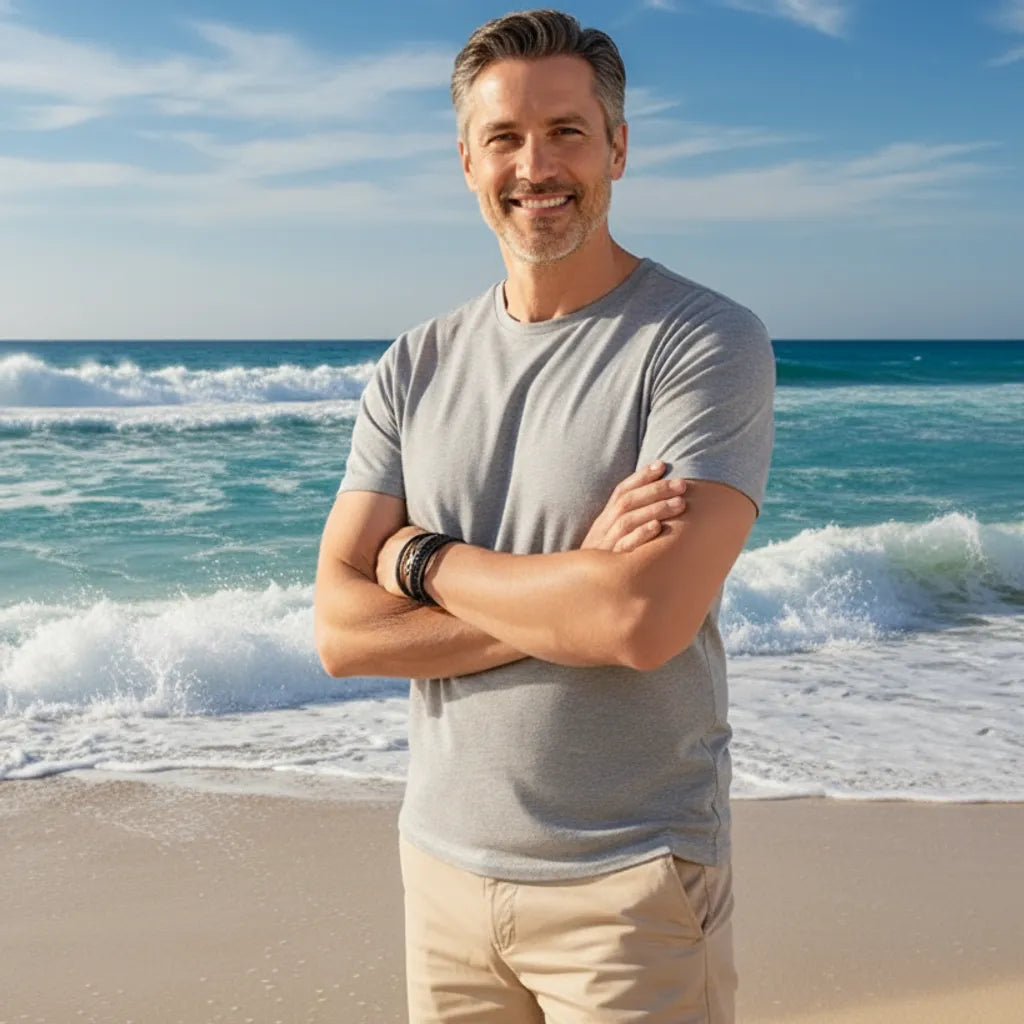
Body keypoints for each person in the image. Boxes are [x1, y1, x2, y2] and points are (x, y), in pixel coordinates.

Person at [314, 9, 774, 1022]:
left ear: (617, 145)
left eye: (567, 130)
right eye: (505, 138)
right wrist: (570, 583)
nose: (537, 165)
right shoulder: (413, 365)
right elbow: (341, 635)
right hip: (438, 867)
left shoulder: (701, 343)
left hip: (630, 882)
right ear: (466, 160)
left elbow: (638, 624)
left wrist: (421, 559)